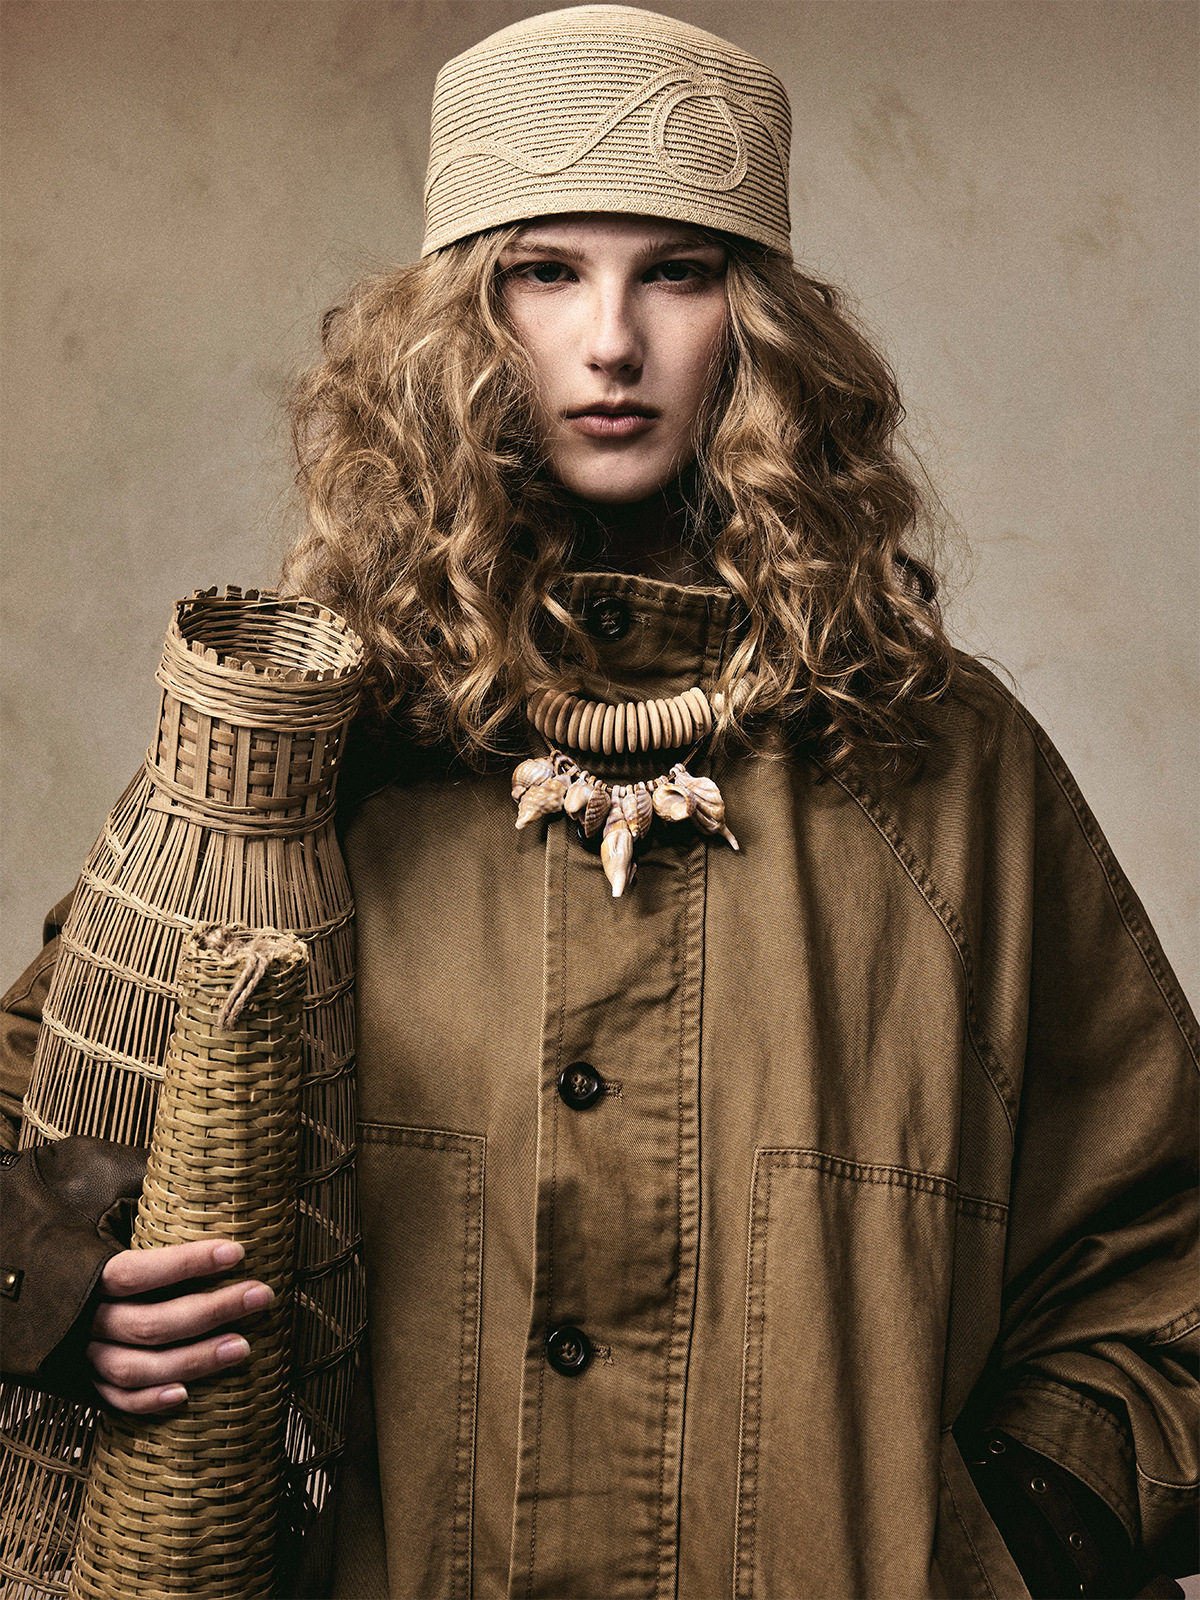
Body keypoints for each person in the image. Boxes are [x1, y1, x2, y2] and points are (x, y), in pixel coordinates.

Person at [2, 7, 1196, 1598]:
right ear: (456, 321)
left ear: (760, 325)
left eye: (677, 274)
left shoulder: (947, 764)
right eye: (546, 272)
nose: (612, 341)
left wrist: (1012, 1539)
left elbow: (1166, 1254)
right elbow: (36, 1116)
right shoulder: (297, 753)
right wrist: (71, 1299)